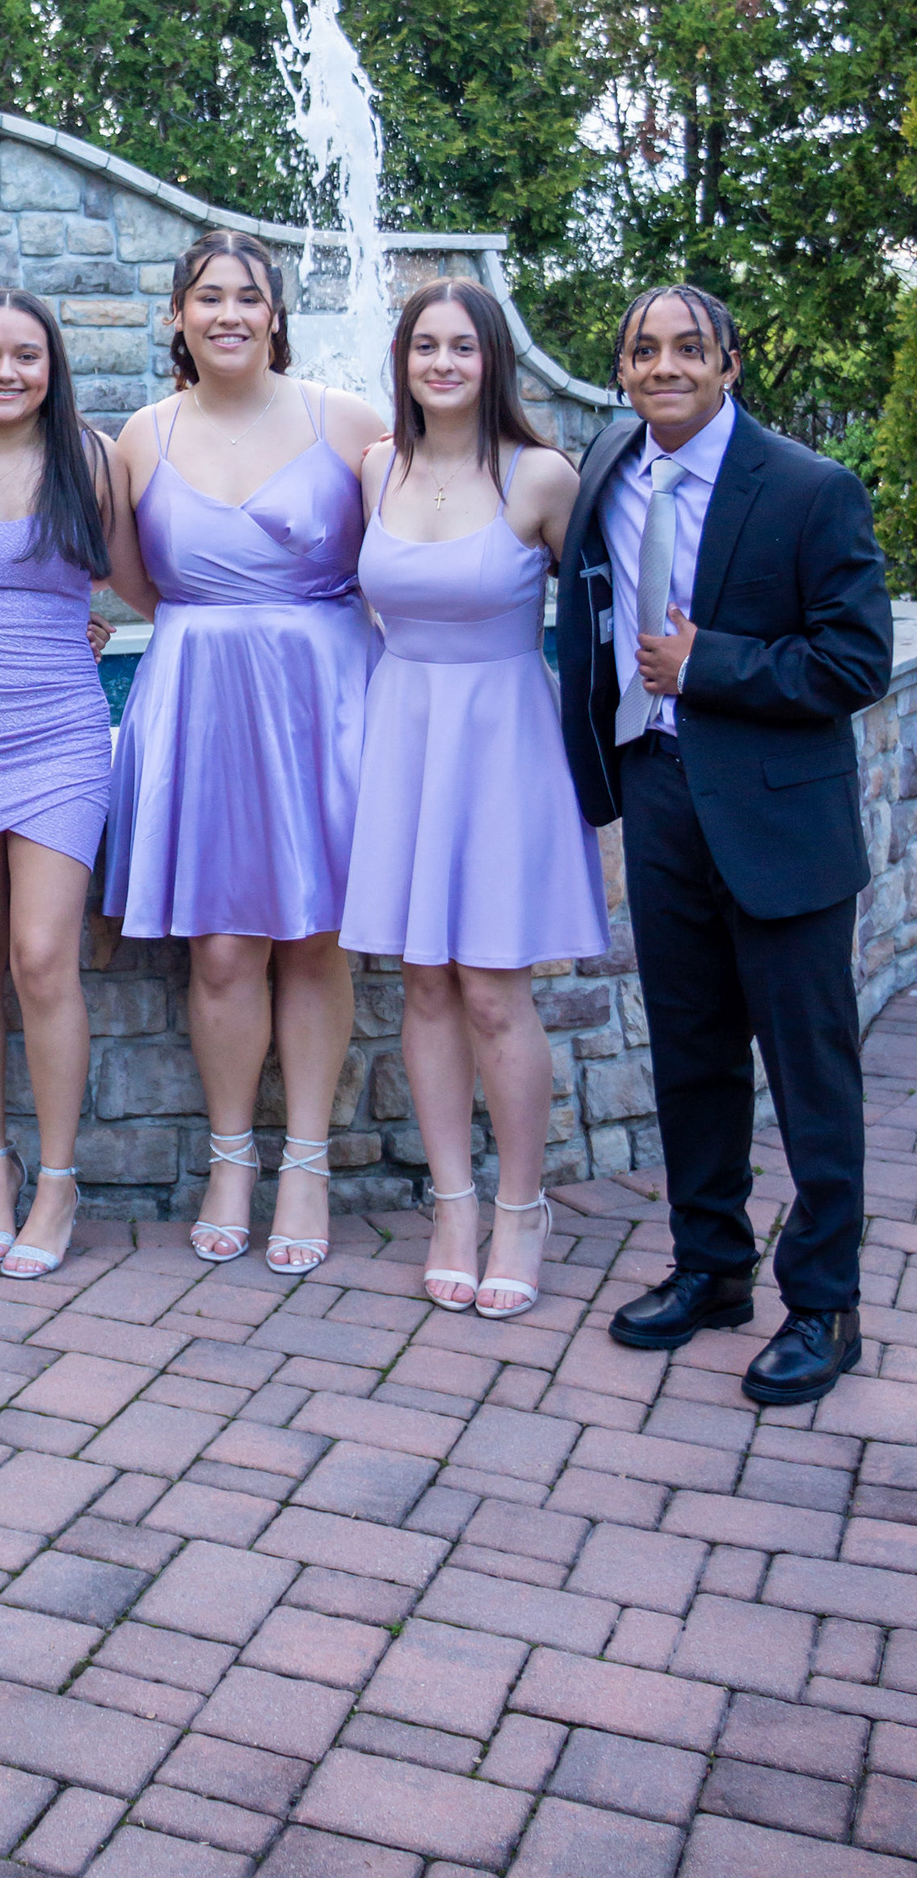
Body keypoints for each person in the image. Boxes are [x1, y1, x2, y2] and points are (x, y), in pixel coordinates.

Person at [558, 283, 892, 1406]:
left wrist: (708, 664)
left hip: (780, 818)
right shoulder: (609, 469)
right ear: (622, 371)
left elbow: (854, 661)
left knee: (810, 1071)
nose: (666, 366)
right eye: (645, 350)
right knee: (691, 1053)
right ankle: (711, 1269)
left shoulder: (809, 488)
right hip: (660, 793)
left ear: (729, 365)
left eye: (690, 349)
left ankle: (826, 1304)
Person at [106, 230, 386, 1270]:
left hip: (322, 698)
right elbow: (135, 582)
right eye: (208, 296)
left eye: (249, 296)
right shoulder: (141, 436)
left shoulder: (346, 422)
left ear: (276, 315)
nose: (229, 313)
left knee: (315, 937)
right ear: (178, 316)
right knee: (222, 948)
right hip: (200, 696)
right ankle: (231, 1161)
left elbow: (407, 550)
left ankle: (306, 1165)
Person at [342, 280, 609, 1317]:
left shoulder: (542, 476)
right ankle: (452, 1208)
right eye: (425, 346)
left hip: (503, 746)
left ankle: (521, 1209)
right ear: (402, 362)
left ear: (492, 359)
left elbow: (603, 617)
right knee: (423, 985)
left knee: (496, 990)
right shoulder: (377, 467)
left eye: (462, 346)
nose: (443, 363)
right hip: (405, 736)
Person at [0, 291, 154, 1278]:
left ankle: (59, 1180)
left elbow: (137, 582)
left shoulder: (93, 459)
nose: (5, 372)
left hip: (58, 731)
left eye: (25, 355)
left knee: (43, 956)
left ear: (53, 366)